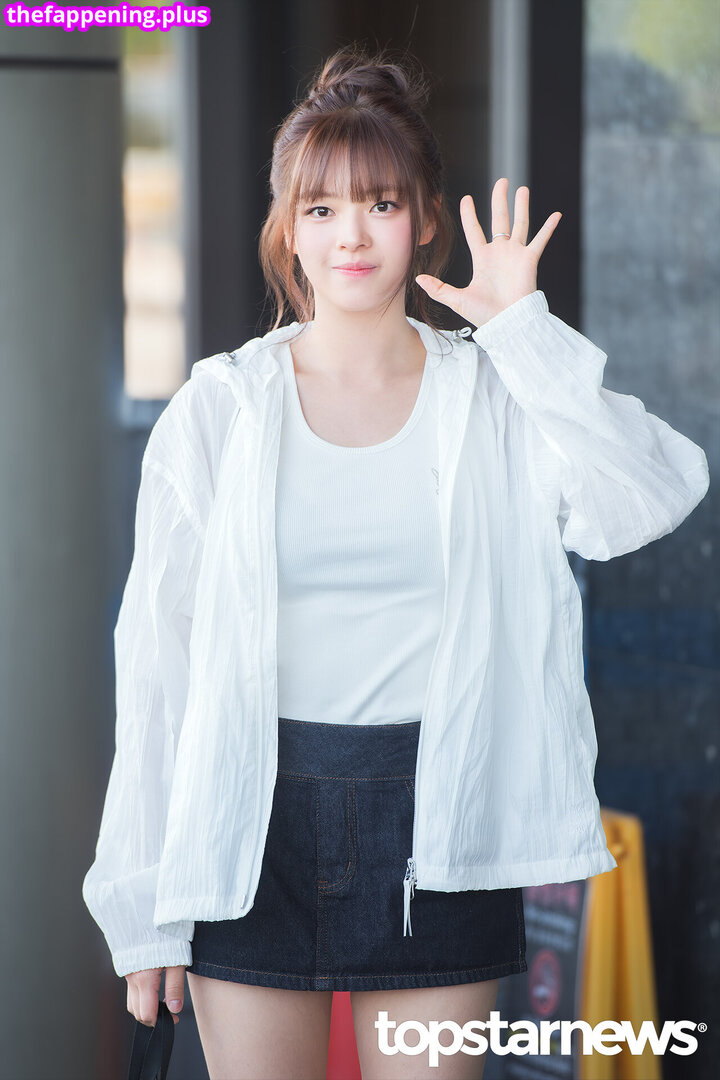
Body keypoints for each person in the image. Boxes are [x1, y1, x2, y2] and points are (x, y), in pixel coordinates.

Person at [82, 44, 710, 1080]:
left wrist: (522, 333)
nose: (351, 234)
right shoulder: (219, 410)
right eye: (321, 207)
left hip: (445, 813)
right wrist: (142, 904)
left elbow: (651, 495)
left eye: (379, 203)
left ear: (422, 218)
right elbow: (157, 664)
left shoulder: (493, 396)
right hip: (249, 819)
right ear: (288, 227)